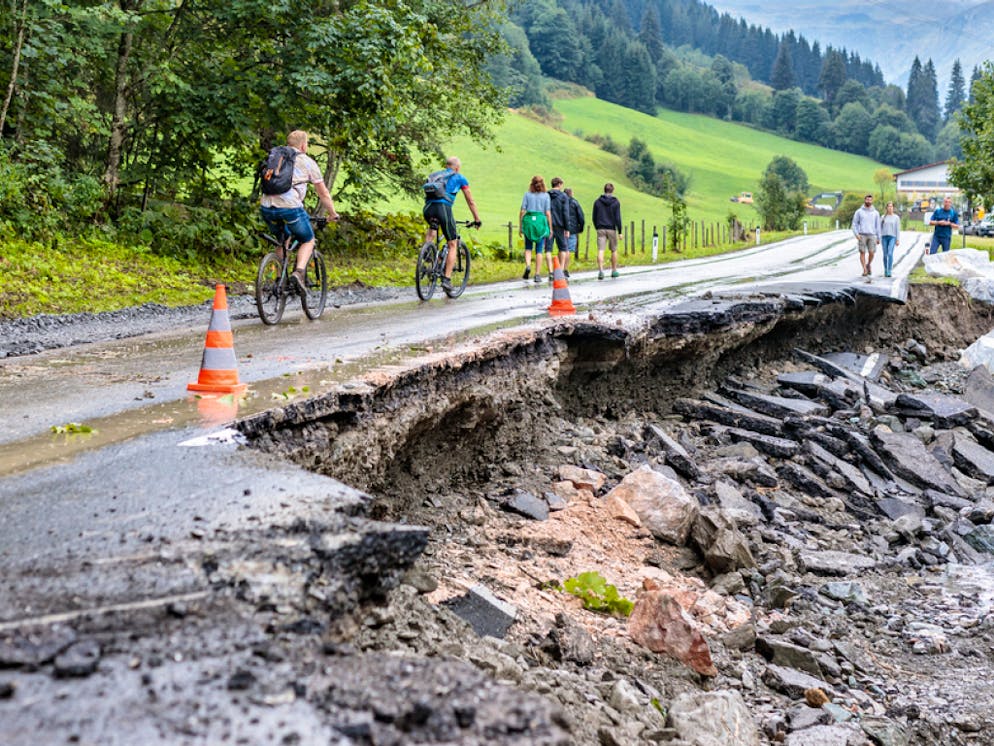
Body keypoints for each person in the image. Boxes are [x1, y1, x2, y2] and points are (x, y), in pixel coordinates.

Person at [259, 130, 340, 293]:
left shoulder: (276, 158)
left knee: (284, 238)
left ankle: (279, 279)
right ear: (303, 145)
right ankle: (299, 273)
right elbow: (323, 193)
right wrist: (333, 214)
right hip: (290, 208)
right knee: (308, 239)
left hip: (266, 207)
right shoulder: (307, 162)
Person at [423, 156, 482, 292]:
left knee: (433, 226)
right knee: (453, 244)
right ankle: (446, 279)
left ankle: (427, 252)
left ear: (446, 166)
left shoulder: (436, 175)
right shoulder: (460, 177)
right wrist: (477, 219)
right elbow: (470, 200)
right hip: (443, 209)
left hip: (428, 209)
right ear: (457, 167)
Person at [519, 175, 552, 283]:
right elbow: (548, 213)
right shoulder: (546, 196)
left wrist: (521, 227)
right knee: (539, 250)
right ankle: (537, 274)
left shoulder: (527, 194)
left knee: (528, 248)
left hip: (529, 222)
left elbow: (522, 211)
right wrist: (550, 228)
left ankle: (528, 265)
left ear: (531, 184)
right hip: (540, 222)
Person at [592, 183, 623, 279]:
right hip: (611, 229)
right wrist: (620, 231)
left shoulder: (597, 202)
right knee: (613, 250)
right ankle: (614, 270)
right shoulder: (616, 202)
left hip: (600, 228)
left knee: (601, 250)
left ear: (604, 190)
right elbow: (618, 218)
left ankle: (601, 271)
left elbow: (594, 217)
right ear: (612, 190)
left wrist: (597, 226)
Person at [851, 193, 880, 277]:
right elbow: (854, 224)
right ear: (864, 200)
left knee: (872, 252)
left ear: (872, 201)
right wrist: (856, 234)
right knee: (862, 252)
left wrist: (878, 237)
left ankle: (868, 264)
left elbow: (877, 226)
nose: (868, 201)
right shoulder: (859, 212)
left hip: (872, 235)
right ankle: (864, 269)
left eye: (870, 200)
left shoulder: (875, 213)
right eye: (867, 199)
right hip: (862, 235)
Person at [547, 177, 571, 279]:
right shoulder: (563, 196)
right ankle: (560, 271)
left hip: (548, 225)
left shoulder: (546, 195)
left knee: (548, 249)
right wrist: (567, 228)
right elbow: (565, 213)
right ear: (560, 184)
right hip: (560, 226)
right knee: (563, 248)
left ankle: (551, 272)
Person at [564, 187, 585, 277]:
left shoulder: (561, 202)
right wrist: (580, 228)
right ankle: (565, 269)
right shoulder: (575, 202)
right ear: (571, 194)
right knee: (568, 250)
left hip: (561, 228)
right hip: (572, 230)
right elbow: (581, 216)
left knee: (562, 249)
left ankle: (559, 268)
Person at [880, 201, 901, 278]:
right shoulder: (883, 217)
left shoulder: (896, 218)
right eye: (889, 206)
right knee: (885, 255)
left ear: (893, 208)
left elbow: (897, 229)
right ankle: (885, 269)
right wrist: (878, 238)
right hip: (884, 237)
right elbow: (879, 228)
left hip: (892, 237)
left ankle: (889, 270)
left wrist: (897, 239)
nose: (890, 208)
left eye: (891, 206)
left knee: (890, 253)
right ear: (886, 208)